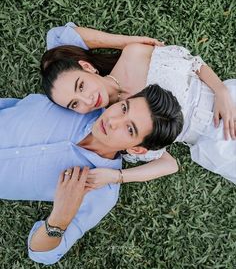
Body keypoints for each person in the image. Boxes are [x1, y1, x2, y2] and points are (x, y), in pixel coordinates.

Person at [0, 84, 183, 264]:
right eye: (124, 108)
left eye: (129, 129)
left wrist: (60, 219)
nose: (112, 121)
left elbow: (40, 253)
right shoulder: (83, 98)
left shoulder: (101, 193)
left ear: (136, 149)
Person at [41, 22, 236, 184]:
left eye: (81, 86)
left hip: (226, 98)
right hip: (217, 142)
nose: (87, 100)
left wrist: (221, 92)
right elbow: (169, 164)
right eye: (74, 104)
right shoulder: (115, 126)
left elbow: (195, 65)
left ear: (87, 67)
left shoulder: (132, 54)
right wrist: (118, 177)